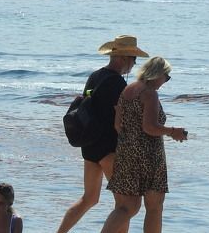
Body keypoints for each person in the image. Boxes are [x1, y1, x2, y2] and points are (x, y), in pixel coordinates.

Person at [56, 34, 149, 233]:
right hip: (108, 149)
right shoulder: (117, 83)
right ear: (123, 58)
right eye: (133, 59)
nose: (133, 65)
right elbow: (123, 120)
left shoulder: (95, 76)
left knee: (89, 198)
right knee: (127, 205)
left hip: (89, 147)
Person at [100, 56, 188, 233]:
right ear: (157, 74)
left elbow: (118, 125)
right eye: (167, 76)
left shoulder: (128, 90)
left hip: (126, 153)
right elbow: (150, 127)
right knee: (154, 207)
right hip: (149, 156)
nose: (166, 81)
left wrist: (131, 141)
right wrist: (173, 131)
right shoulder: (149, 93)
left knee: (126, 207)